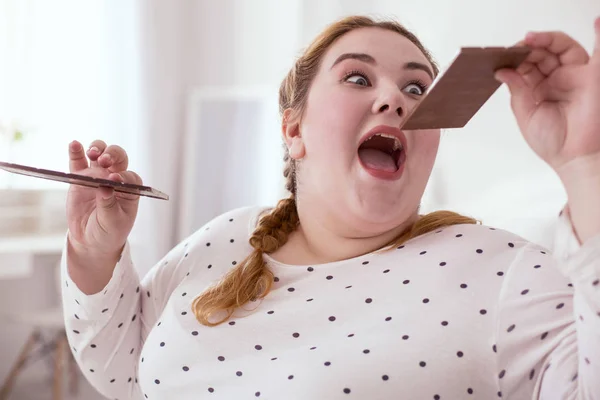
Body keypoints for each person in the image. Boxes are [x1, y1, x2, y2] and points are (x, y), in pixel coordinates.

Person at [61, 15, 600, 400]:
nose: (394, 99)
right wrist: (93, 254)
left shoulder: (500, 270)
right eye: (358, 78)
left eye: (417, 88)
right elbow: (124, 373)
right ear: (293, 129)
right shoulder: (227, 237)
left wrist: (585, 167)